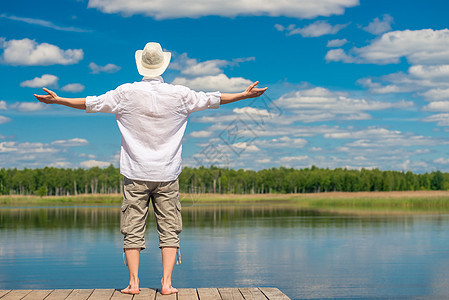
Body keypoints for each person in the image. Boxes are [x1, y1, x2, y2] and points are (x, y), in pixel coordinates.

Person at [34, 42, 267, 295]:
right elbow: (214, 98)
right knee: (170, 228)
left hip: (135, 174)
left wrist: (59, 101)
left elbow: (90, 103)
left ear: (141, 65)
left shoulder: (125, 93)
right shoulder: (180, 94)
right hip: (167, 174)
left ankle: (133, 284)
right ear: (163, 65)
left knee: (132, 228)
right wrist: (244, 95)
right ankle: (166, 285)